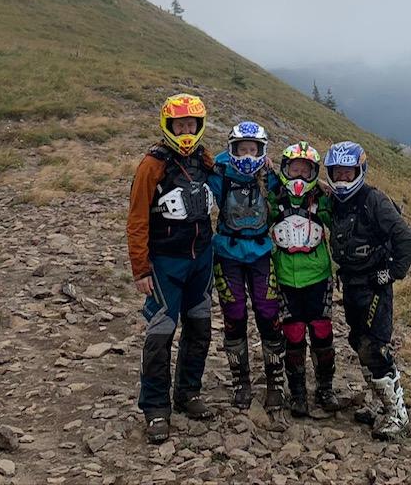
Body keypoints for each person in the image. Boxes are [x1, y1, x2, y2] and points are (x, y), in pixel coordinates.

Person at [126, 93, 216, 444]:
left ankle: (188, 393)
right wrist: (140, 268)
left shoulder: (204, 159)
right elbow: (136, 219)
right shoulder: (152, 165)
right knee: (161, 333)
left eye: (191, 124)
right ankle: (155, 408)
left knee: (200, 327)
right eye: (180, 125)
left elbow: (225, 177)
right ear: (168, 126)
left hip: (201, 259)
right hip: (166, 262)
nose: (186, 130)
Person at [325, 141, 411, 440]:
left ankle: (397, 412)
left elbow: (404, 237)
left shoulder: (373, 200)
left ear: (360, 171)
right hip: (351, 282)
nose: (342, 179)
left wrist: (392, 273)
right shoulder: (336, 202)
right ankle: (378, 404)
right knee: (357, 339)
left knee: (375, 346)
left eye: (348, 174)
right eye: (336, 173)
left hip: (374, 284)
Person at [208, 121, 286, 409]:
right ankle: (240, 382)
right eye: (242, 149)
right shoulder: (219, 174)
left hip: (261, 253)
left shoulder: (268, 177)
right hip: (227, 253)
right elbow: (199, 183)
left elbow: (289, 192)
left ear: (262, 149)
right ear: (232, 149)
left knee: (268, 314)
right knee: (234, 315)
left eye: (253, 149)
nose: (248, 155)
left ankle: (275, 383)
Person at [269, 141, 339, 417]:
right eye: (294, 170)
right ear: (285, 169)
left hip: (318, 276)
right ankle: (297, 392)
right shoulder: (274, 199)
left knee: (322, 332)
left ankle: (325, 388)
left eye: (305, 171)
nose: (299, 176)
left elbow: (341, 220)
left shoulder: (321, 201)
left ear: (314, 174)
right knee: (294, 334)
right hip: (286, 277)